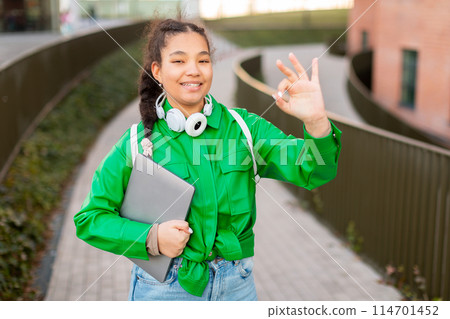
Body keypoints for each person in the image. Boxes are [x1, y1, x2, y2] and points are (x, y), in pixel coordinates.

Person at [73, 19, 342, 301]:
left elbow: (313, 171)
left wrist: (317, 123)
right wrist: (151, 238)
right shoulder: (135, 144)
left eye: (203, 60)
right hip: (163, 290)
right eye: (178, 61)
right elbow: (90, 219)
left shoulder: (245, 129)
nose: (193, 70)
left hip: (237, 286)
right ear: (158, 71)